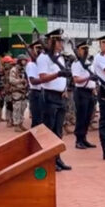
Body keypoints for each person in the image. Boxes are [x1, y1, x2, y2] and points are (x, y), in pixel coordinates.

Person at [37, 29, 72, 171]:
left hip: (60, 96)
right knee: (49, 130)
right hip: (49, 96)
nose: (61, 43)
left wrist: (64, 89)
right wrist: (57, 74)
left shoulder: (59, 57)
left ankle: (57, 158)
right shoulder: (43, 58)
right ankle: (48, 159)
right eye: (58, 40)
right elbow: (42, 78)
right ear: (51, 41)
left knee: (58, 131)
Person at [71, 40, 97, 150]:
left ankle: (84, 138)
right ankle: (78, 140)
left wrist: (94, 88)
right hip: (81, 92)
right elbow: (76, 80)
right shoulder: (76, 64)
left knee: (88, 117)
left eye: (87, 48)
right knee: (81, 117)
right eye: (83, 49)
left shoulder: (89, 63)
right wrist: (88, 78)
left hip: (90, 92)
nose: (85, 51)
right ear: (78, 50)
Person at [9, 54, 29, 132]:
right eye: (23, 60)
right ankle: (16, 125)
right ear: (20, 61)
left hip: (23, 92)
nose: (25, 62)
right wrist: (21, 81)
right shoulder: (14, 70)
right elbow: (11, 80)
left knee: (23, 108)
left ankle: (21, 123)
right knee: (17, 108)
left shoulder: (24, 70)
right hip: (17, 92)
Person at [26, 40, 44, 127]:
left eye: (41, 48)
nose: (40, 50)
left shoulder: (42, 63)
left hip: (43, 92)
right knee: (37, 119)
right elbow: (33, 81)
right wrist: (46, 79)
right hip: (36, 93)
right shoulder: (31, 65)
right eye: (37, 48)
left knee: (43, 120)